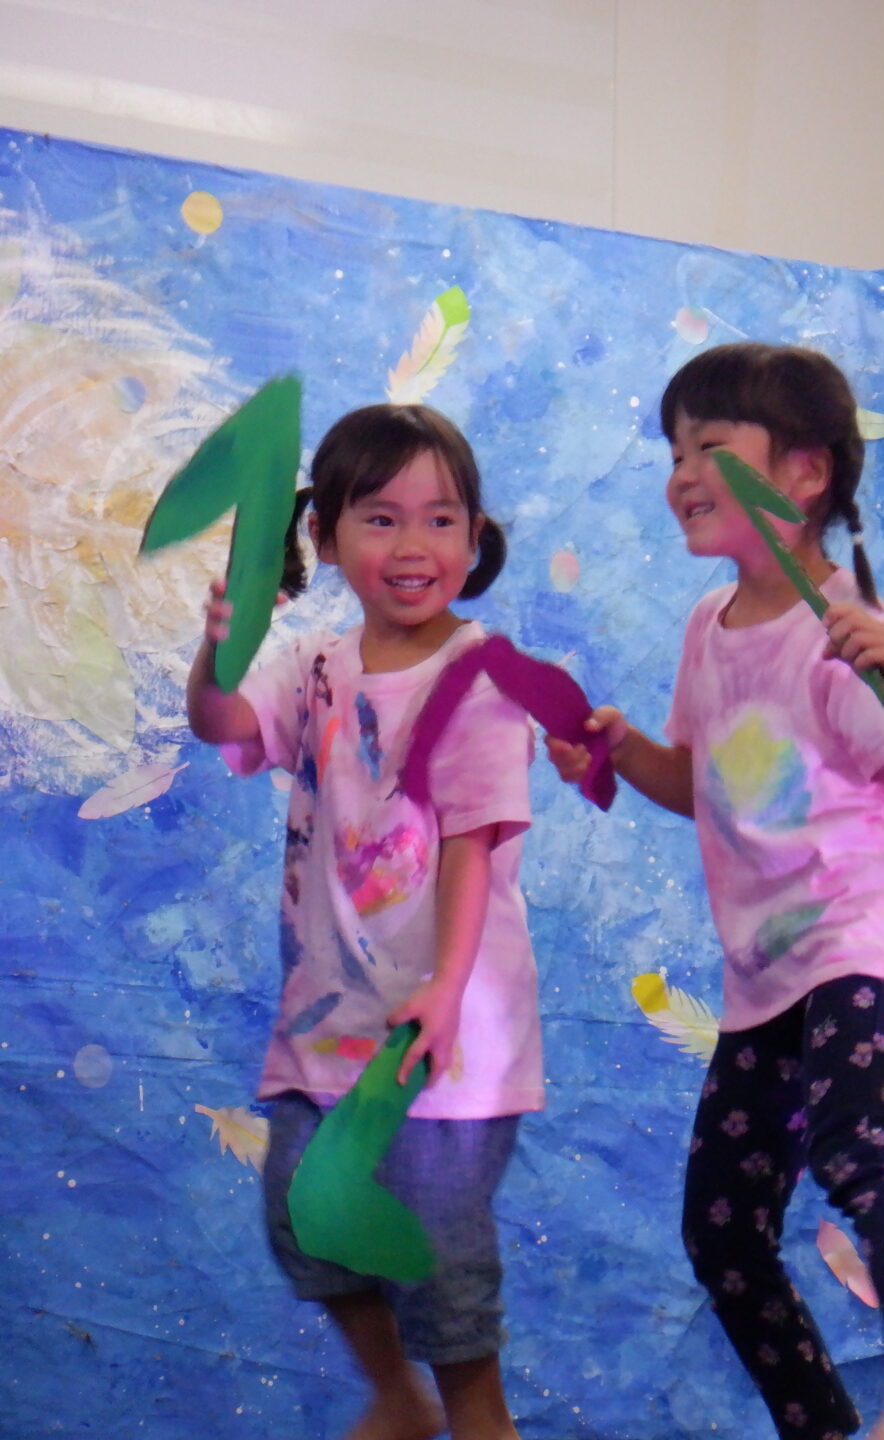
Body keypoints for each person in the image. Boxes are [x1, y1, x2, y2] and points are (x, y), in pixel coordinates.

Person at [546, 343, 884, 1440]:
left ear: (804, 471)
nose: (682, 474)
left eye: (710, 447)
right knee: (724, 1232)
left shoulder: (842, 626)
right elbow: (704, 787)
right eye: (673, 453)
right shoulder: (708, 627)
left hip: (862, 942)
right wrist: (622, 752)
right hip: (765, 979)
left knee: (857, 1148)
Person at [188, 403, 537, 1440]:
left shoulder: (480, 674)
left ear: (474, 539)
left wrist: (447, 987)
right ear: (326, 537)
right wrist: (217, 652)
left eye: (440, 519)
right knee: (302, 1213)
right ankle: (398, 1398)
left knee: (440, 1269)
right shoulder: (316, 666)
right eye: (380, 518)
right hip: (331, 1024)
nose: (413, 544)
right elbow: (222, 722)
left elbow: (474, 842)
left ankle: (475, 1417)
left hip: (446, 1042)